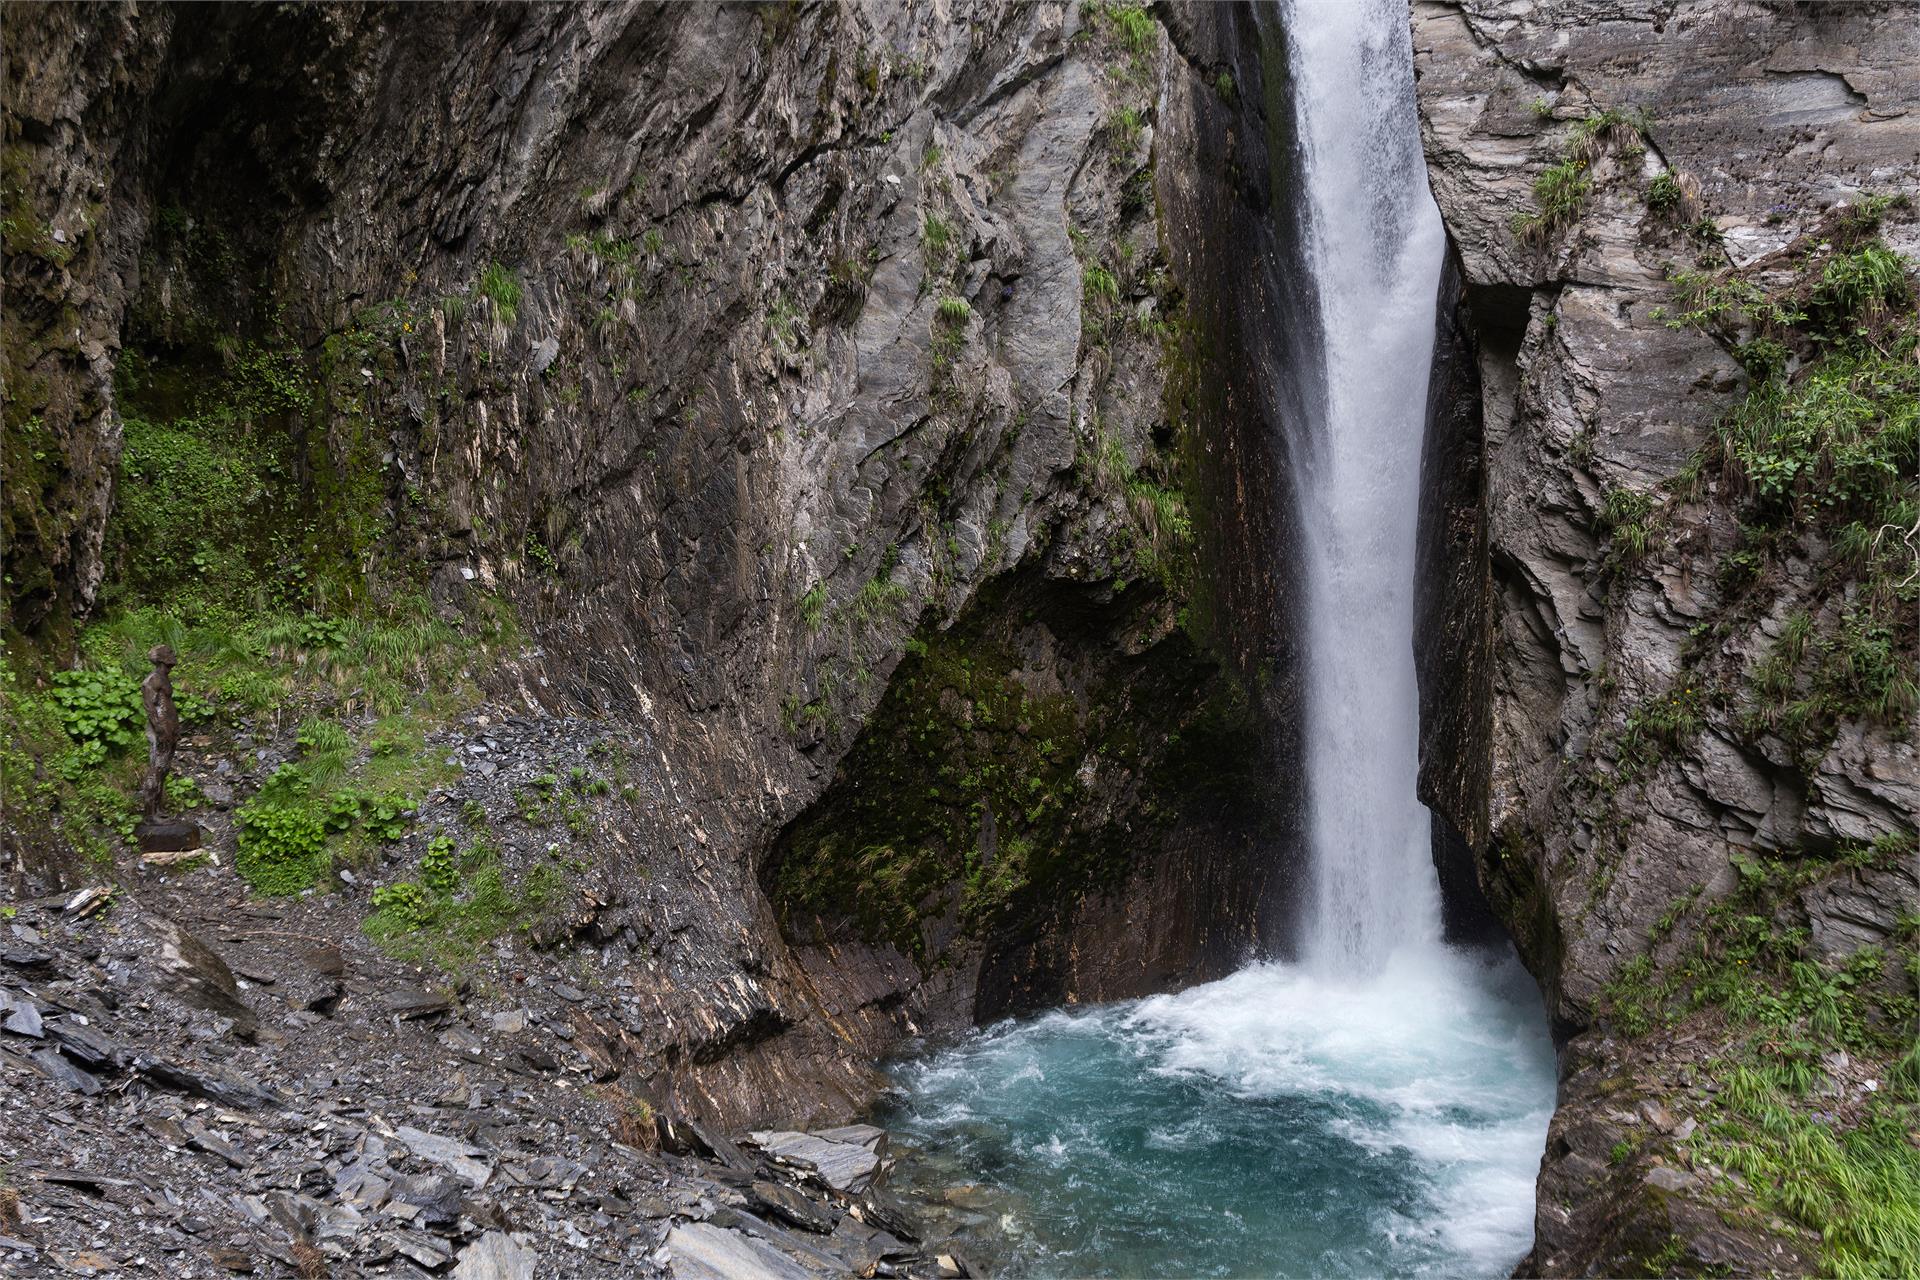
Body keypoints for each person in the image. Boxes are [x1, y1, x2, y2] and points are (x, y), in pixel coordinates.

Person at [139, 644, 180, 820]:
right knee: (156, 768)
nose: (173, 655)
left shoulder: (163, 678)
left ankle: (157, 809)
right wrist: (158, 726)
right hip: (161, 729)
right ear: (162, 658)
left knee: (163, 769)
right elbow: (149, 705)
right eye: (170, 653)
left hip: (169, 729)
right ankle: (149, 814)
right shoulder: (153, 679)